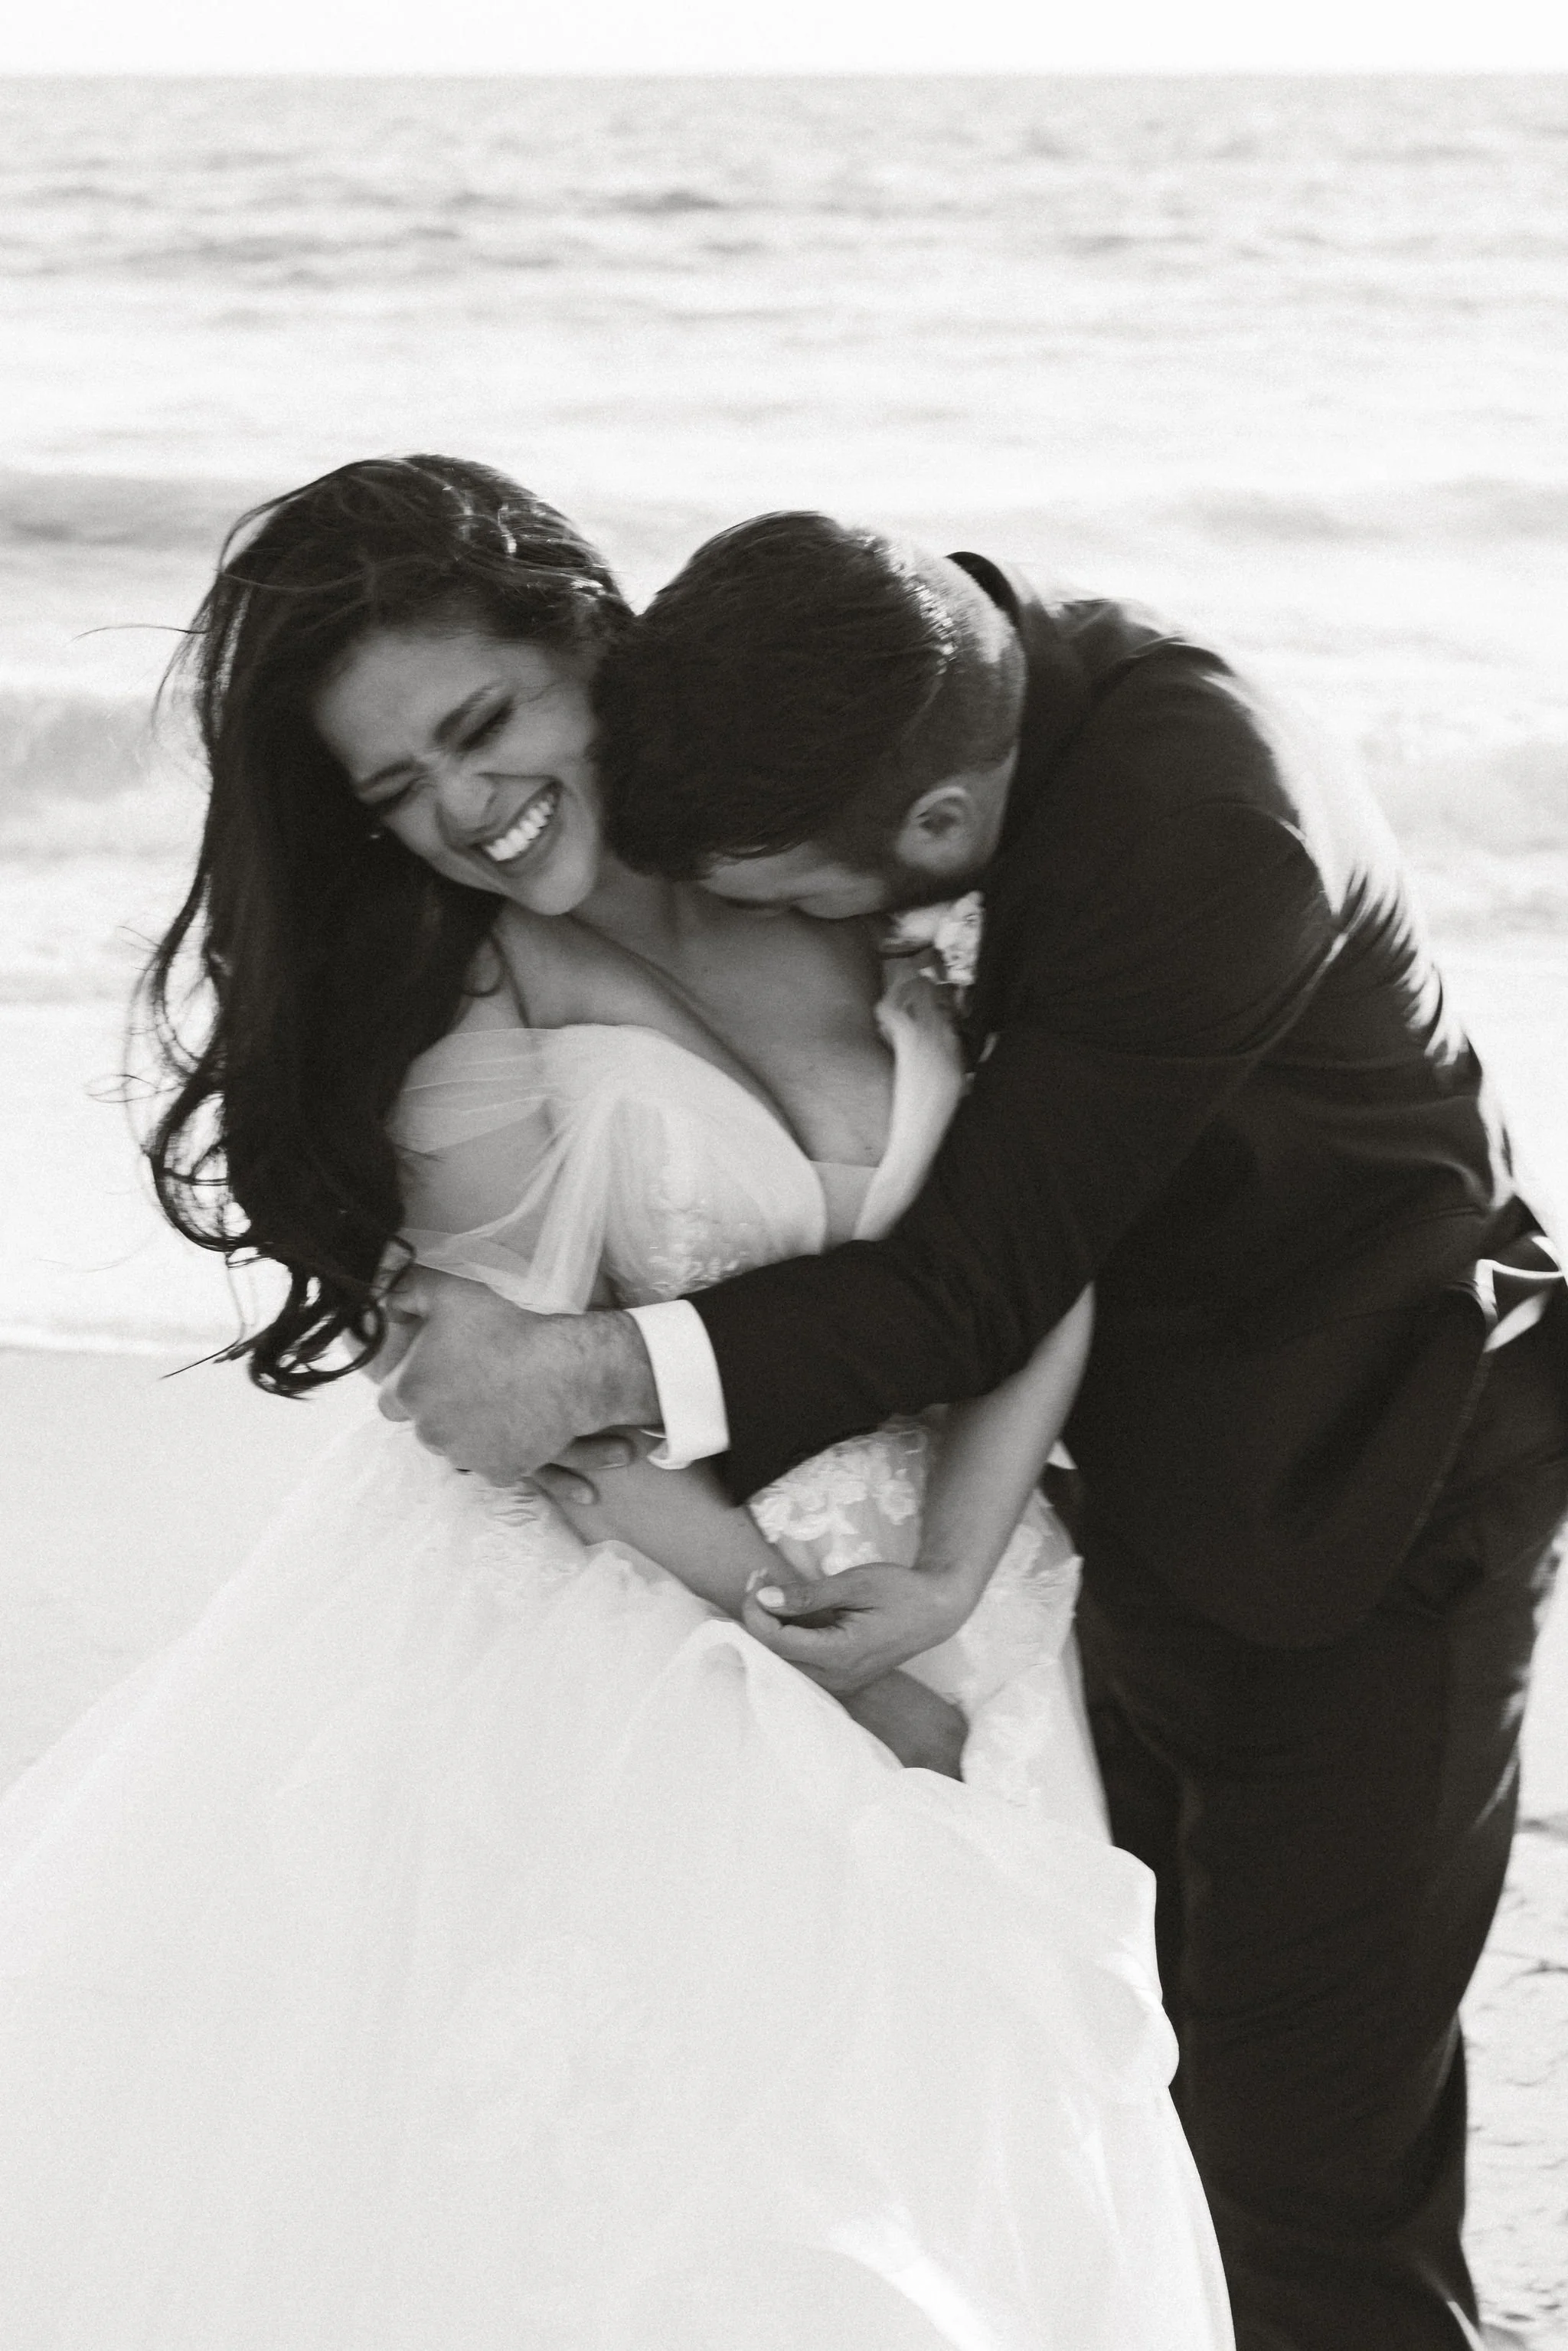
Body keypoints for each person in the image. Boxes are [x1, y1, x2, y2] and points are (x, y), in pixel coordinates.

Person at [0, 459, 1233, 2350]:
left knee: (965, 2173)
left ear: (598, 650)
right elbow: (527, 1417)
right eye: (395, 789)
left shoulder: (850, 878)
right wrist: (822, 1658)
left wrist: (948, 1580)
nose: (462, 809)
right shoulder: (461, 995)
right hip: (634, 1622)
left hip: (959, 1604)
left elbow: (1031, 1257)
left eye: (483, 724)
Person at [384, 510, 1568, 2350]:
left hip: (1375, 1493)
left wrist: (586, 1371)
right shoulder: (908, 678)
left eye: (789, 894)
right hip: (1132, 1505)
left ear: (936, 830)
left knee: (1306, 2158)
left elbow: (977, 1279)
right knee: (1154, 2119)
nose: (788, 932)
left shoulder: (1205, 832)